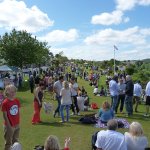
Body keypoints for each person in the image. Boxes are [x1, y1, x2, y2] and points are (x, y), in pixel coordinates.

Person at [1, 84, 21, 150]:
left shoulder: (17, 101)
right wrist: (9, 126)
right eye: (11, 92)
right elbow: (5, 115)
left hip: (16, 125)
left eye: (14, 91)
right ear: (7, 92)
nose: (13, 93)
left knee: (15, 141)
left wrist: (18, 124)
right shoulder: (5, 103)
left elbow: (18, 113)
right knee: (8, 143)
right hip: (9, 125)